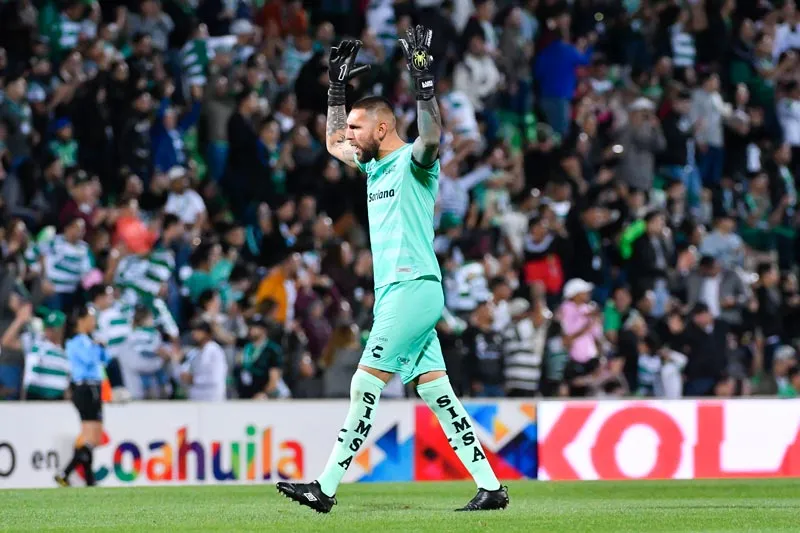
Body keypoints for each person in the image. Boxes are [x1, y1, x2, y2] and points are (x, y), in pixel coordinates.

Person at [276, 27, 509, 513]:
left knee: (366, 382)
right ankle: (491, 487)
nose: (349, 136)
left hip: (413, 288)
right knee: (439, 395)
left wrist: (424, 82)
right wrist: (336, 93)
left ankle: (326, 487)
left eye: (358, 127)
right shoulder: (374, 167)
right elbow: (332, 142)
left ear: (382, 129)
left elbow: (431, 135)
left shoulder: (413, 162)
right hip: (398, 292)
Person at [55, 303, 108, 487]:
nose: (93, 323)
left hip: (93, 387)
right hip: (85, 387)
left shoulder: (88, 340)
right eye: (91, 319)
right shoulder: (75, 342)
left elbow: (105, 359)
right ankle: (65, 472)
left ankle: (89, 480)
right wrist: (97, 346)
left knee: (90, 436)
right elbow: (90, 359)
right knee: (91, 437)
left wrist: (99, 346)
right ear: (81, 320)